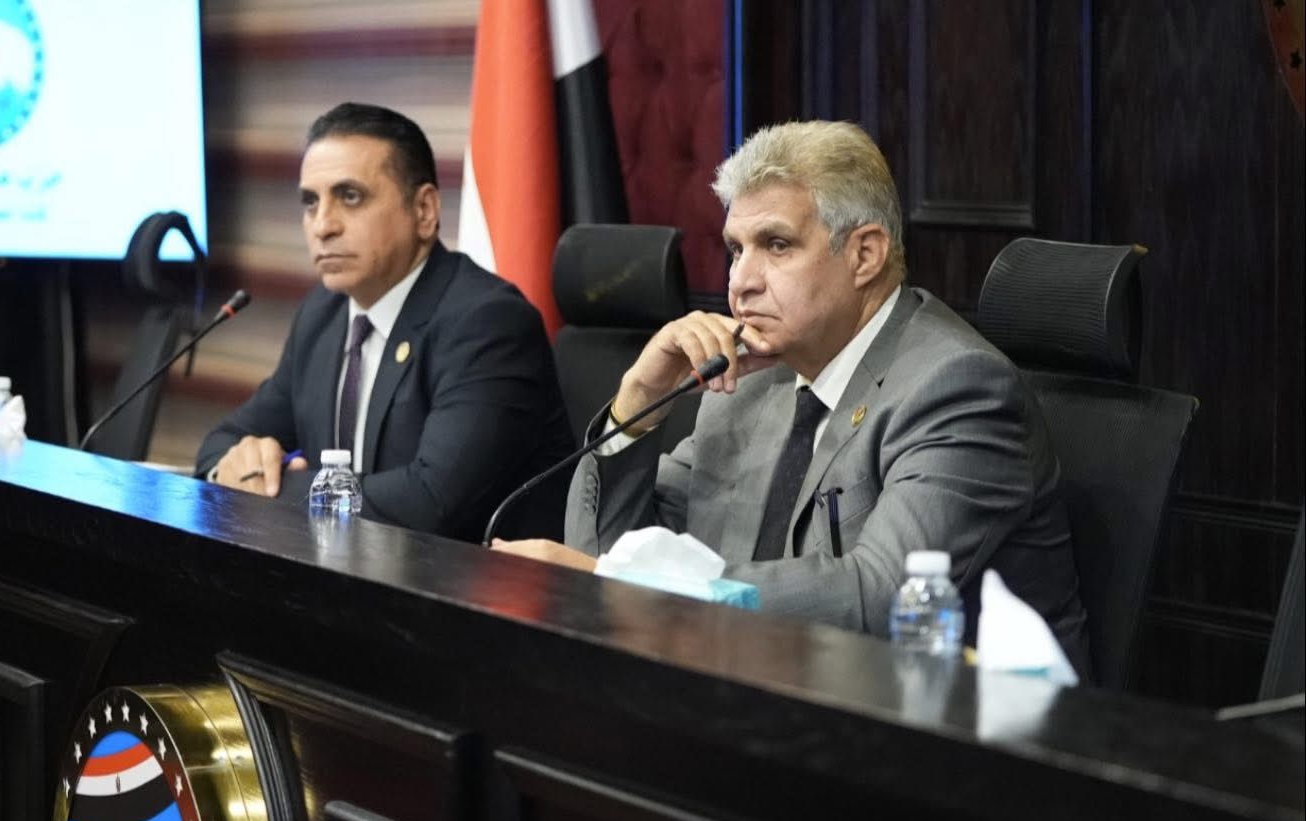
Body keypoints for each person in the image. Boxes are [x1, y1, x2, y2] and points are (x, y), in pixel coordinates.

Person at [493, 120, 1090, 676]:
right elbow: (602, 561)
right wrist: (637, 403)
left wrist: (635, 588)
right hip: (761, 692)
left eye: (776, 245)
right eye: (735, 250)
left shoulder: (957, 388)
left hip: (949, 727)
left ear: (865, 254)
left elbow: (882, 597)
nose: (740, 283)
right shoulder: (751, 379)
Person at [196, 102, 574, 541]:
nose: (322, 225)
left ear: (424, 211)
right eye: (310, 202)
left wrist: (267, 489)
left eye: (350, 197)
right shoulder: (324, 314)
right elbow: (220, 443)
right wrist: (237, 466)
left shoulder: (487, 322)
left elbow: (430, 502)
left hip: (467, 579)